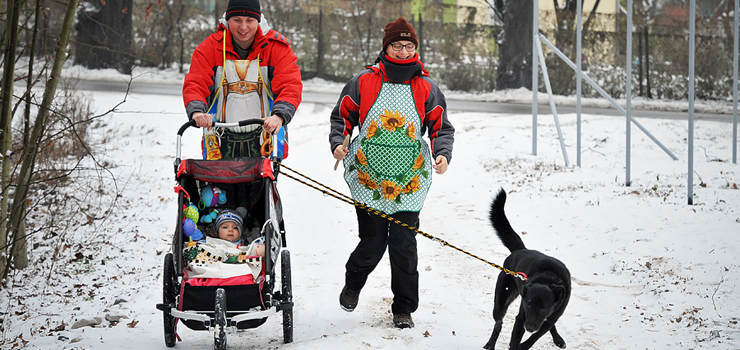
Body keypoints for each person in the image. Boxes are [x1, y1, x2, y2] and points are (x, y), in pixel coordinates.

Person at [328, 18, 455, 329]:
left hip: (409, 182)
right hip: (368, 177)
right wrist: (337, 144)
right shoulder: (364, 81)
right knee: (372, 243)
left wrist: (442, 153)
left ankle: (404, 308)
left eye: (409, 45)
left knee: (403, 245)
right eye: (397, 45)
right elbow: (342, 117)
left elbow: (441, 127)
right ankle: (354, 283)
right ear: (385, 47)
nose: (403, 51)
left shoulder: (426, 87)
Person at [183, 0, 302, 158]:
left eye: (250, 21)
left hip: (264, 139)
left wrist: (279, 116)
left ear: (258, 20)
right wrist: (197, 112)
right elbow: (196, 83)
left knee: (263, 183)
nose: (243, 27)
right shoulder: (210, 48)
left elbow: (290, 86)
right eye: (237, 20)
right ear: (228, 19)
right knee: (217, 182)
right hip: (219, 138)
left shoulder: (276, 48)